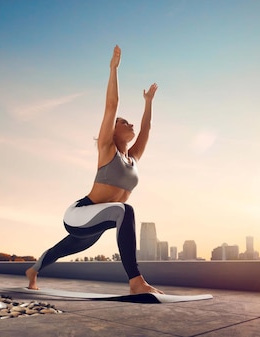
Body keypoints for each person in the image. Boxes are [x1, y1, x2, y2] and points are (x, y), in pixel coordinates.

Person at [26, 45, 163, 295]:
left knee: (67, 248)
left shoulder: (132, 158)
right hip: (81, 212)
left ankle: (33, 271)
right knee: (125, 211)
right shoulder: (106, 148)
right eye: (124, 122)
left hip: (99, 218)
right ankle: (136, 281)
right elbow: (112, 105)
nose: (129, 123)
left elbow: (147, 129)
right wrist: (113, 69)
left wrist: (148, 103)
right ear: (111, 130)